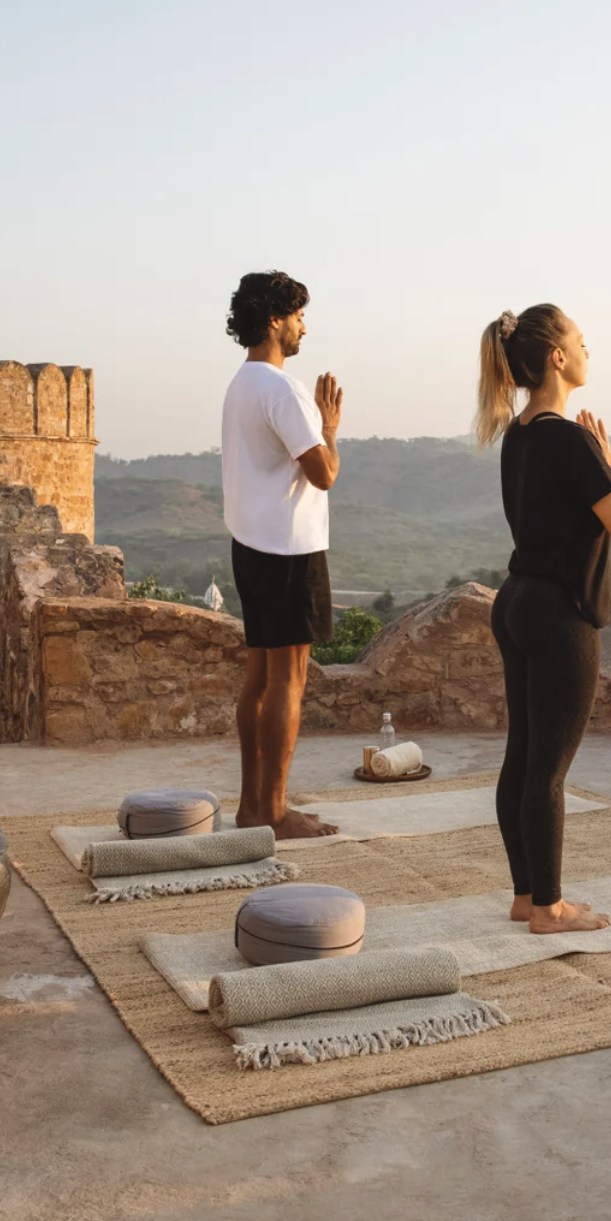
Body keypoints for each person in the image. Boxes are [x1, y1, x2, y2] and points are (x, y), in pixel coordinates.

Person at [475, 305, 611, 933]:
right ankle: (548, 906)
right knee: (548, 768)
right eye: (579, 341)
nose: (587, 351)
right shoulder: (569, 439)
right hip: (558, 614)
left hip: (516, 600)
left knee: (522, 756)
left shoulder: (517, 433)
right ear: (556, 357)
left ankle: (527, 895)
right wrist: (610, 462)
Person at [221, 270, 343, 839]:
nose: (303, 326)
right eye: (297, 315)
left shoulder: (241, 385)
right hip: (290, 549)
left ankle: (251, 806)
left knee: (259, 680)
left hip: (250, 544)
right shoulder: (280, 389)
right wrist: (331, 428)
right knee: (288, 680)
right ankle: (272, 811)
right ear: (274, 319)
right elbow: (323, 474)